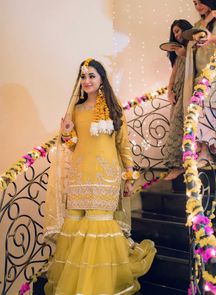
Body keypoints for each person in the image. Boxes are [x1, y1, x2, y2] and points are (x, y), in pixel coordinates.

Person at [43, 58, 156, 295]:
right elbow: (75, 144)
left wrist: (129, 175)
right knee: (74, 224)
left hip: (106, 176)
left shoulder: (114, 110)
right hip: (79, 174)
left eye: (92, 76)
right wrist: (65, 135)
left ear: (102, 79)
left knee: (98, 226)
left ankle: (98, 286)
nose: (86, 81)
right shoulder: (75, 110)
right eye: (83, 77)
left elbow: (123, 145)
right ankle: (77, 285)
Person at [183, 0, 216, 168]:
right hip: (201, 77)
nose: (198, 6)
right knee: (201, 114)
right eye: (194, 3)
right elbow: (191, 45)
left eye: (200, 2)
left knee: (209, 113)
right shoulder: (199, 24)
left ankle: (205, 153)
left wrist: (213, 39)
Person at [163, 19, 193, 180]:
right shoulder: (177, 52)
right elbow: (173, 74)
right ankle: (175, 165)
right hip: (177, 93)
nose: (177, 34)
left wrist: (185, 53)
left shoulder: (194, 47)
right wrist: (169, 92)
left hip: (189, 91)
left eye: (179, 30)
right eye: (174, 32)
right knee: (174, 126)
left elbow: (197, 64)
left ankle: (179, 166)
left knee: (181, 126)